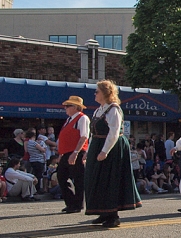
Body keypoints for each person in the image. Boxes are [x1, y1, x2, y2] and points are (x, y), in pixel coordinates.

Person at [84, 79, 141, 227]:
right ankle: (103, 212)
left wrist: (104, 151)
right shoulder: (99, 109)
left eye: (97, 91)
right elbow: (93, 134)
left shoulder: (113, 109)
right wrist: (88, 151)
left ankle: (113, 215)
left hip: (112, 148)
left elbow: (114, 133)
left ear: (105, 93)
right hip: (98, 145)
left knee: (110, 180)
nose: (95, 94)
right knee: (96, 179)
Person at [56, 95, 90, 214]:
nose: (65, 108)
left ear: (75, 107)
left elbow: (84, 136)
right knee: (61, 176)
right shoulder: (69, 120)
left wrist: (76, 152)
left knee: (78, 179)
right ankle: (71, 202)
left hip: (76, 152)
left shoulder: (82, 118)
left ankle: (77, 204)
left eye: (68, 106)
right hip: (66, 153)